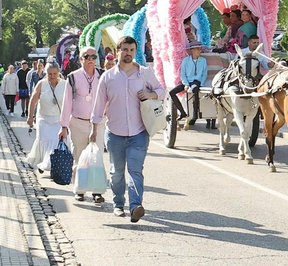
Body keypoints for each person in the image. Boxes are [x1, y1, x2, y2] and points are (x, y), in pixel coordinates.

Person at [95, 35, 165, 220]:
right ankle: (118, 204)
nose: (128, 53)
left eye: (132, 50)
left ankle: (135, 206)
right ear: (118, 51)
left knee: (135, 170)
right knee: (117, 172)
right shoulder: (107, 77)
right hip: (115, 134)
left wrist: (150, 94)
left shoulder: (144, 73)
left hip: (139, 133)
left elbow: (161, 91)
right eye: (125, 49)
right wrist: (93, 130)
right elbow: (98, 105)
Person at [58, 45, 102, 200]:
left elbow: (109, 99)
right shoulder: (73, 77)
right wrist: (64, 126)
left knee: (97, 157)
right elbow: (67, 102)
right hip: (78, 123)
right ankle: (79, 190)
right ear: (80, 59)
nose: (91, 60)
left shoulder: (102, 76)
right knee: (80, 156)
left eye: (93, 57)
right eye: (87, 57)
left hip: (99, 123)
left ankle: (97, 191)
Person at [24, 59, 67, 170]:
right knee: (43, 140)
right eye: (49, 74)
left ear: (58, 73)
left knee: (55, 140)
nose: (52, 76)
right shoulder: (41, 84)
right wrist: (30, 117)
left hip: (58, 119)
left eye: (54, 74)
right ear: (46, 73)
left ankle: (49, 164)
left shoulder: (65, 85)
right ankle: (43, 162)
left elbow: (69, 103)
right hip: (43, 118)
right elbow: (33, 100)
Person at [171, 42, 209, 128]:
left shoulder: (203, 60)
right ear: (192, 50)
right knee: (172, 92)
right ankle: (182, 112)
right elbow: (183, 74)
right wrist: (186, 84)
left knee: (195, 89)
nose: (199, 50)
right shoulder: (186, 60)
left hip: (196, 82)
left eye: (200, 49)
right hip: (187, 81)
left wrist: (201, 84)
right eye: (197, 49)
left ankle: (195, 114)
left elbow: (204, 74)